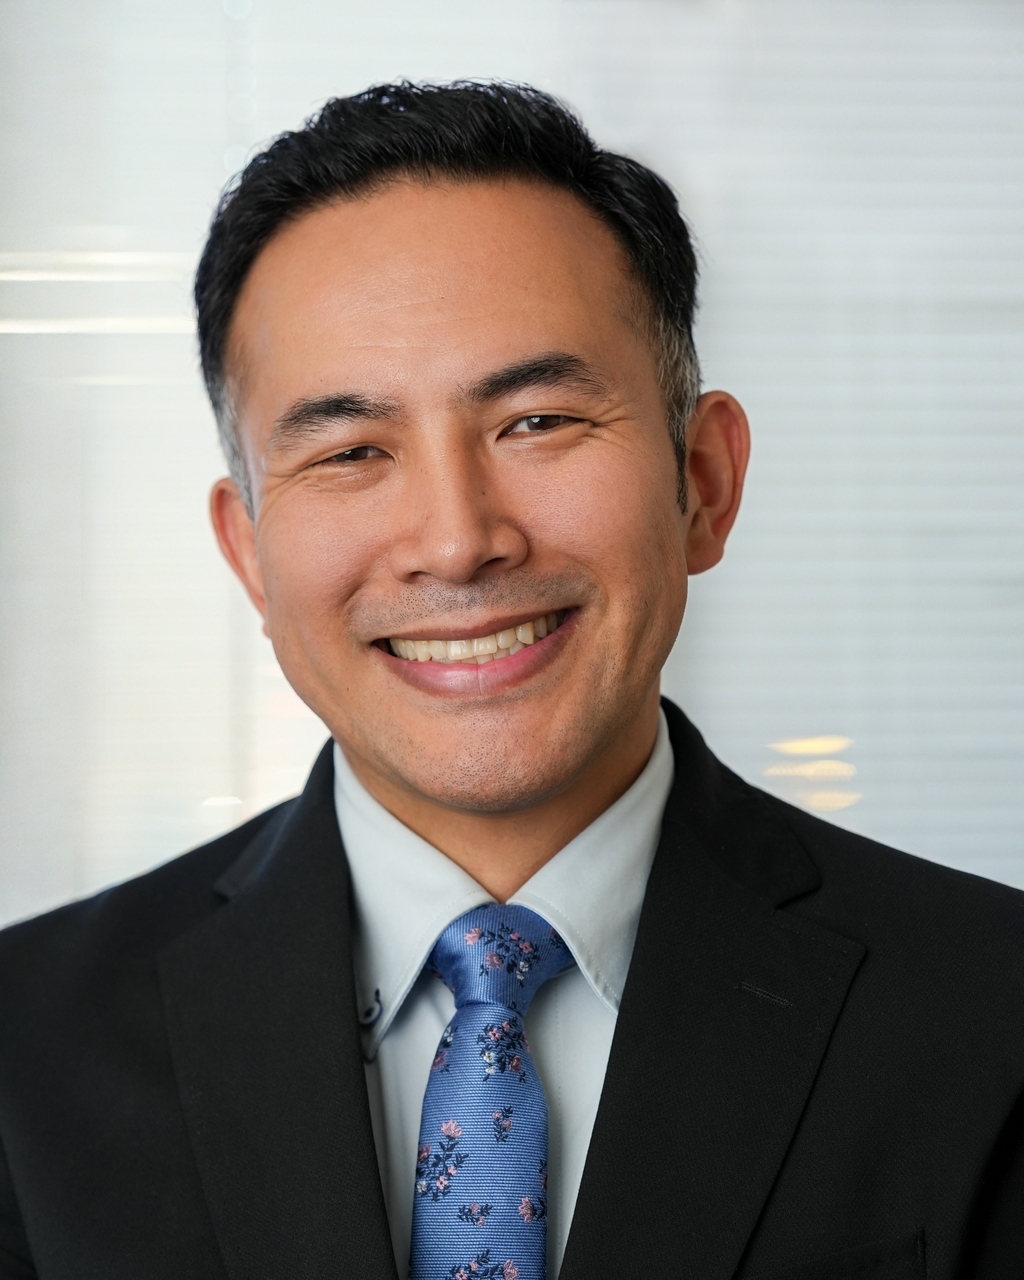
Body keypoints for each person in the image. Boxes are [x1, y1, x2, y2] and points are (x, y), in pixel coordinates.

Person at [0, 81, 1021, 1280]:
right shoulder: (25, 1049)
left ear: (703, 480)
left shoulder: (991, 1015)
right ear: (249, 553)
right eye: (351, 450)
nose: (456, 540)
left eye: (535, 422)